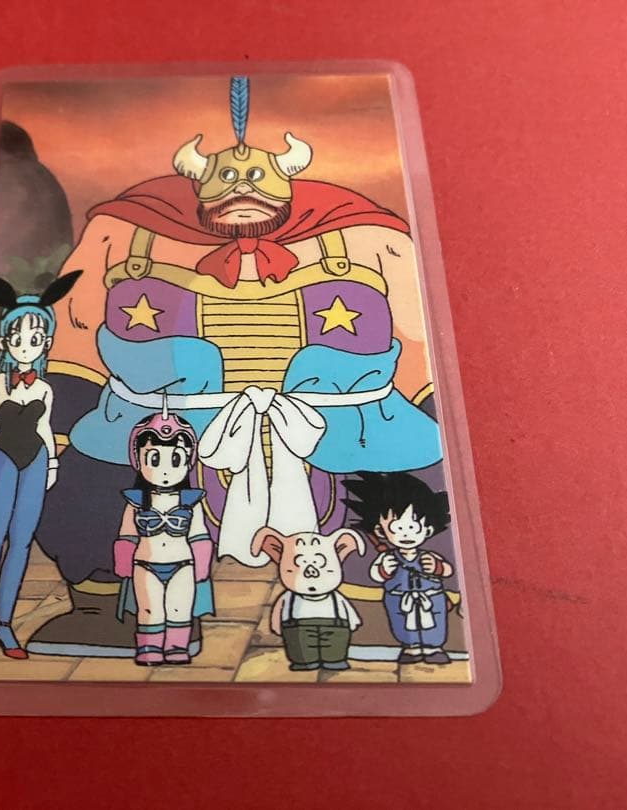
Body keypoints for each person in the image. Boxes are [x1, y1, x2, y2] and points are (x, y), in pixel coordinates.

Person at [30, 76, 443, 656]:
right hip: (167, 426)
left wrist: (431, 405)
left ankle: (373, 607)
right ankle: (112, 608)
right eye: (226, 178)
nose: (243, 188)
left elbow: (418, 336)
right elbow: (74, 329)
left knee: (405, 481)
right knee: (87, 486)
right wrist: (59, 417)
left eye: (259, 177)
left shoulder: (369, 235)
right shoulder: (124, 231)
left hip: (341, 425)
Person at [0, 271, 81, 661]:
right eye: (19, 338)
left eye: (35, 339)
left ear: (47, 343)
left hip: (36, 463)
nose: (26, 346)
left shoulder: (44, 387)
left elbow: (44, 428)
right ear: (5, 341)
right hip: (2, 460)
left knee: (21, 543)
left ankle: (5, 626)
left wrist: (52, 464)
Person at [113, 409, 215, 665]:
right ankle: (149, 647)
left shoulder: (191, 502)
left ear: (188, 461)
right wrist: (124, 562)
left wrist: (202, 565)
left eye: (176, 459)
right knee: (149, 609)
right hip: (145, 564)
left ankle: (177, 646)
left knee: (180, 608)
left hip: (183, 565)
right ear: (138, 460)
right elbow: (127, 534)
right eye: (155, 459)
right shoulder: (136, 502)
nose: (166, 470)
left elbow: (199, 534)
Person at [344, 471, 455, 665]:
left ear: (428, 529)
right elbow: (376, 575)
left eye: (412, 528)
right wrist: (384, 570)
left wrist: (437, 568)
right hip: (398, 598)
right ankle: (411, 648)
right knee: (401, 623)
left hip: (431, 597)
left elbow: (448, 570)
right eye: (397, 528)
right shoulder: (388, 557)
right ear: (380, 531)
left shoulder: (429, 556)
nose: (405, 534)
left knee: (435, 623)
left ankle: (433, 648)